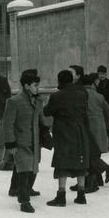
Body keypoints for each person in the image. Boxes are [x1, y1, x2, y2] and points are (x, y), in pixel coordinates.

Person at [43, 70, 90, 207]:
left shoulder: (56, 96)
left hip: (63, 132)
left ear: (59, 81)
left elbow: (47, 112)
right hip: (79, 131)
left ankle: (61, 196)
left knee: (62, 161)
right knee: (80, 160)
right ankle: (81, 195)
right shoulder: (82, 95)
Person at [3, 71, 47, 213]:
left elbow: (41, 120)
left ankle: (16, 189)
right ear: (27, 86)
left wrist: (45, 133)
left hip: (35, 141)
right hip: (20, 142)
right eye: (35, 85)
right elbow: (7, 124)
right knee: (24, 170)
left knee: (32, 168)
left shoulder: (38, 101)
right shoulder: (14, 101)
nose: (37, 88)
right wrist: (11, 144)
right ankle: (24, 201)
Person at [81, 73, 109, 192]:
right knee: (95, 154)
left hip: (88, 128)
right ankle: (98, 180)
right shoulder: (99, 96)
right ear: (92, 84)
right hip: (99, 129)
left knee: (89, 157)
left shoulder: (82, 95)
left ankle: (97, 178)